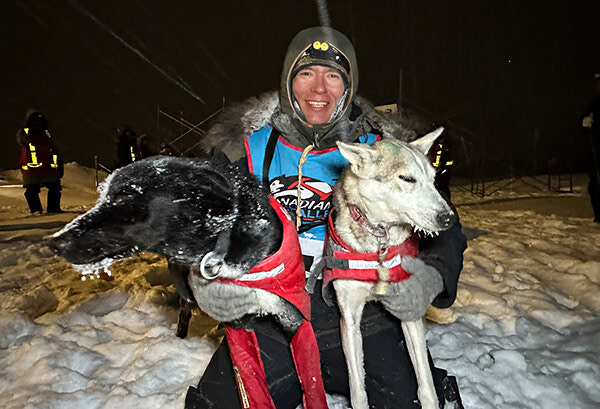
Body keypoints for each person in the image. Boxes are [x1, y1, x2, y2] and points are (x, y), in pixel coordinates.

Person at [185, 26, 467, 408]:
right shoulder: (245, 149)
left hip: (368, 312)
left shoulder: (383, 151)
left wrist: (431, 275)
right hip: (272, 314)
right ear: (288, 81)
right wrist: (200, 279)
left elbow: (444, 226)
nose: (319, 88)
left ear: (348, 87)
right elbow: (194, 225)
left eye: (333, 75)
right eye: (306, 73)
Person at [17, 110, 64, 214]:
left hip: (48, 167)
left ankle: (53, 208)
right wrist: (32, 133)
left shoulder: (46, 133)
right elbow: (22, 141)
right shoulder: (25, 133)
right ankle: (36, 210)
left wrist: (59, 162)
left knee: (54, 188)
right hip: (32, 168)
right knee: (32, 190)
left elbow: (54, 148)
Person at [581, 72, 600, 223]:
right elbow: (582, 121)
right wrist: (584, 122)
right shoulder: (595, 103)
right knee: (594, 185)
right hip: (597, 152)